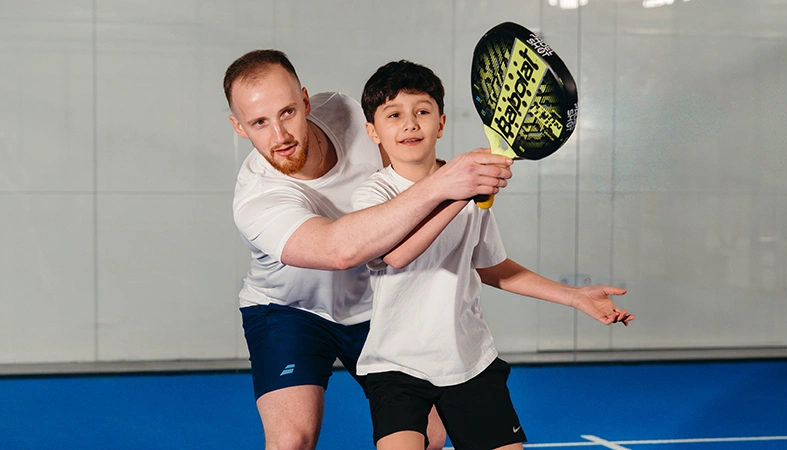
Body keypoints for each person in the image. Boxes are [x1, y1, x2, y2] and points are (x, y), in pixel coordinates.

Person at [224, 50, 515, 450]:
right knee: (291, 440)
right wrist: (449, 183)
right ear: (239, 128)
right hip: (292, 311)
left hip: (377, 302)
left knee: (430, 436)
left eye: (288, 112)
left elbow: (408, 173)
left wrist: (462, 179)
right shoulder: (256, 201)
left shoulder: (345, 112)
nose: (280, 135)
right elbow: (339, 250)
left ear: (306, 101)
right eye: (259, 122)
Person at [352, 60, 635, 450]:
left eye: (422, 111)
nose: (410, 124)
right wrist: (460, 191)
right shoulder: (373, 196)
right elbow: (398, 254)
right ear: (373, 131)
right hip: (395, 364)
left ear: (442, 122)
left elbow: (493, 268)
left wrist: (573, 295)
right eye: (394, 114)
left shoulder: (468, 184)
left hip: (469, 360)